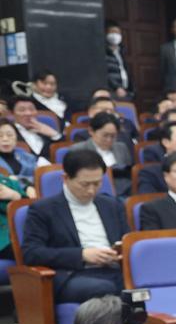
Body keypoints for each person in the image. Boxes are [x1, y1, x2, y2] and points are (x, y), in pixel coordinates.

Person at [23, 151, 127, 301]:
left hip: (114, 269)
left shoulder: (112, 205)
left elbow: (127, 241)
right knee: (106, 288)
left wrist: (120, 251)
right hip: (72, 274)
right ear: (65, 178)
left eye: (97, 183)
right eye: (84, 184)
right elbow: (32, 253)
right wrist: (82, 255)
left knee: (142, 282)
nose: (91, 190)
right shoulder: (43, 209)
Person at [69, 112, 134, 196]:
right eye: (105, 135)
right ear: (91, 131)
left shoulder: (121, 147)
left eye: (113, 136)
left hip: (123, 192)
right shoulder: (78, 150)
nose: (109, 140)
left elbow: (128, 173)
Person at [0, 120, 36, 259]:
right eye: (0, 135)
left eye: (9, 135)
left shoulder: (8, 179)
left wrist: (16, 195)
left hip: (17, 229)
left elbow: (25, 203)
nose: (5, 139)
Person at [105, 21, 134, 101]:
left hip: (125, 91)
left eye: (118, 32)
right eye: (112, 32)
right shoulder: (104, 53)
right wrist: (116, 87)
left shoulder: (121, 52)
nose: (115, 35)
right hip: (113, 92)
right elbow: (106, 73)